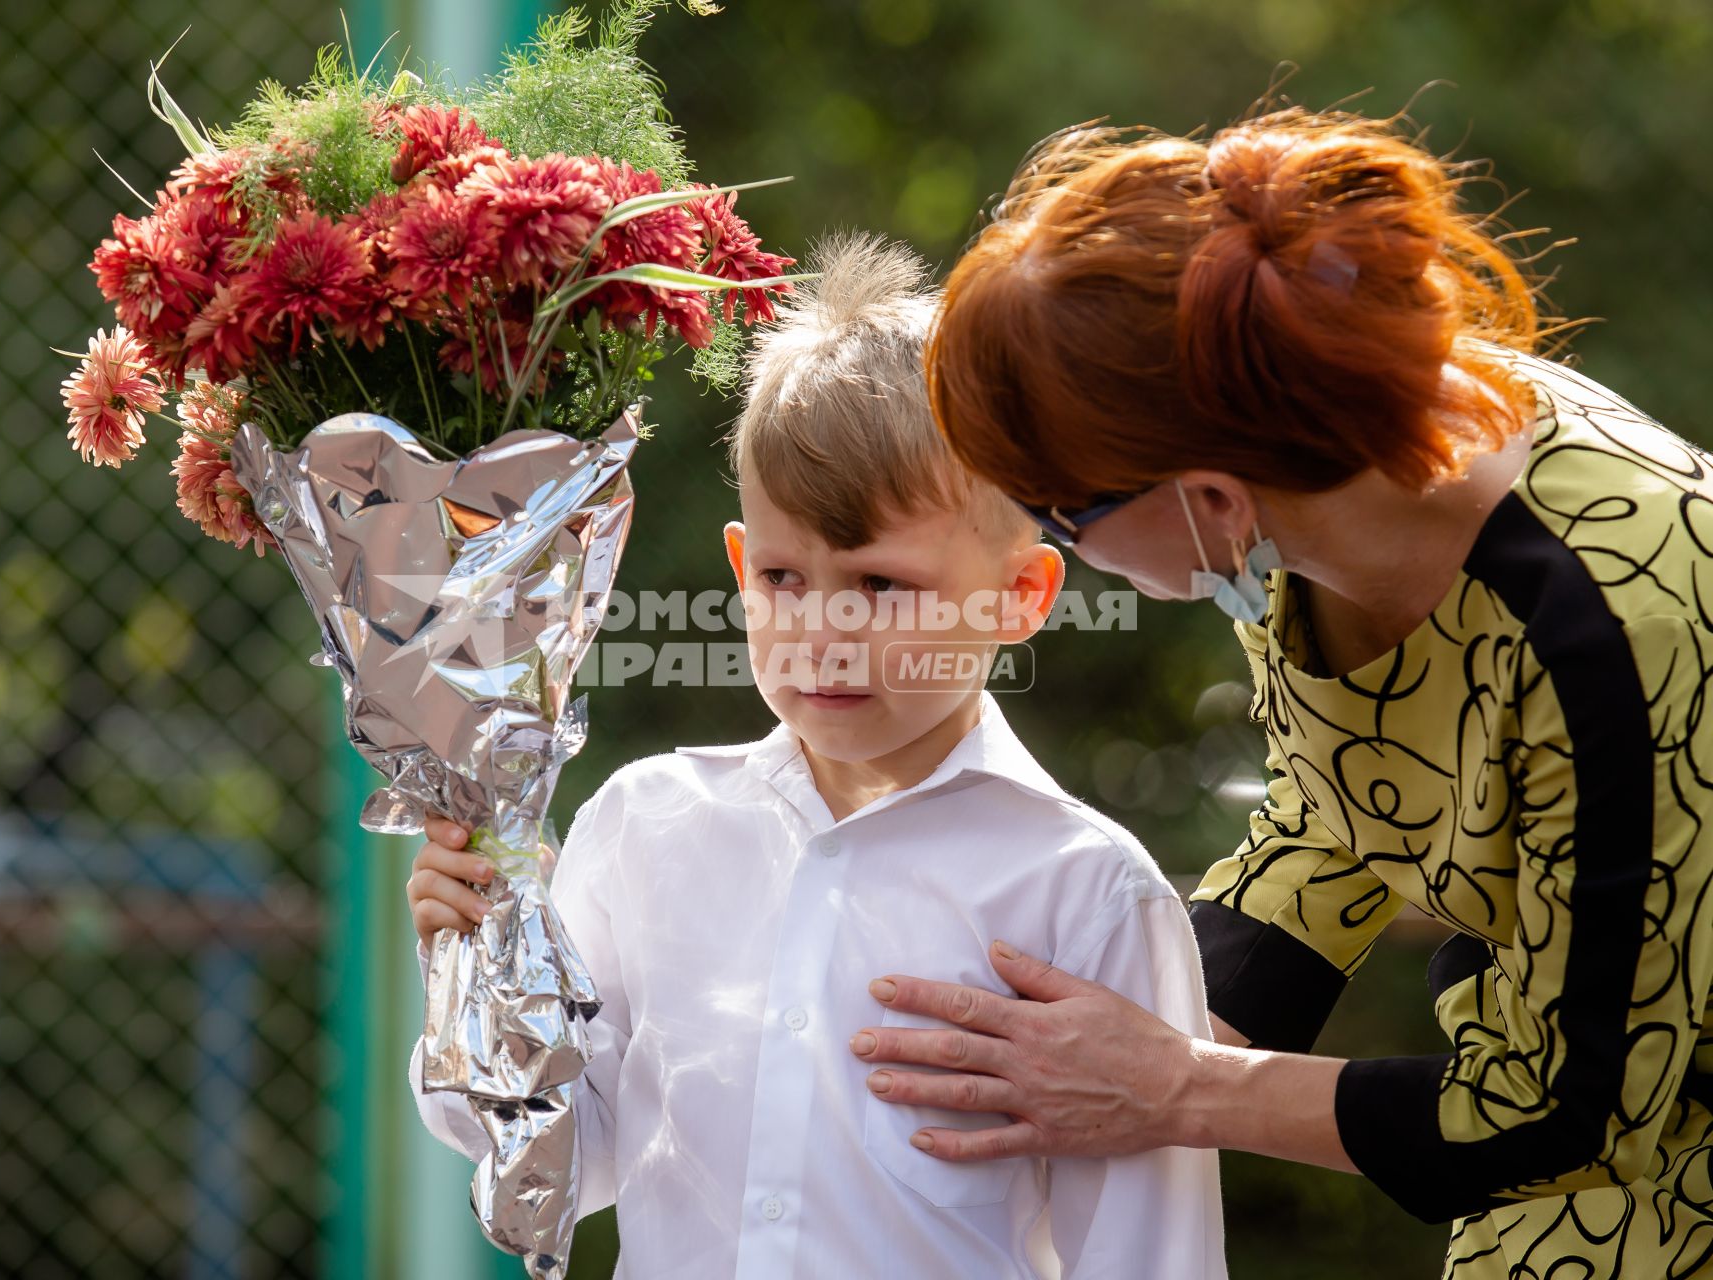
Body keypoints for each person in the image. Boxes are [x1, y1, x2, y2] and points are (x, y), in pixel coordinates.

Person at [851, 106, 1713, 1277]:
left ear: (1209, 496)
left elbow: (1569, 1112)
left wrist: (1173, 1084)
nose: (1050, 546)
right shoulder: (1310, 478)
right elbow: (1341, 811)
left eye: (1060, 515)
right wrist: (1150, 1026)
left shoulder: (1616, 627)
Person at [406, 234, 1227, 1278]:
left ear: (1022, 595)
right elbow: (560, 1163)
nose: (825, 626)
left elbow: (1152, 1258)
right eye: (788, 578)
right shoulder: (643, 823)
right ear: (742, 568)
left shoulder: (1088, 891)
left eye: (884, 584)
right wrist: (476, 960)